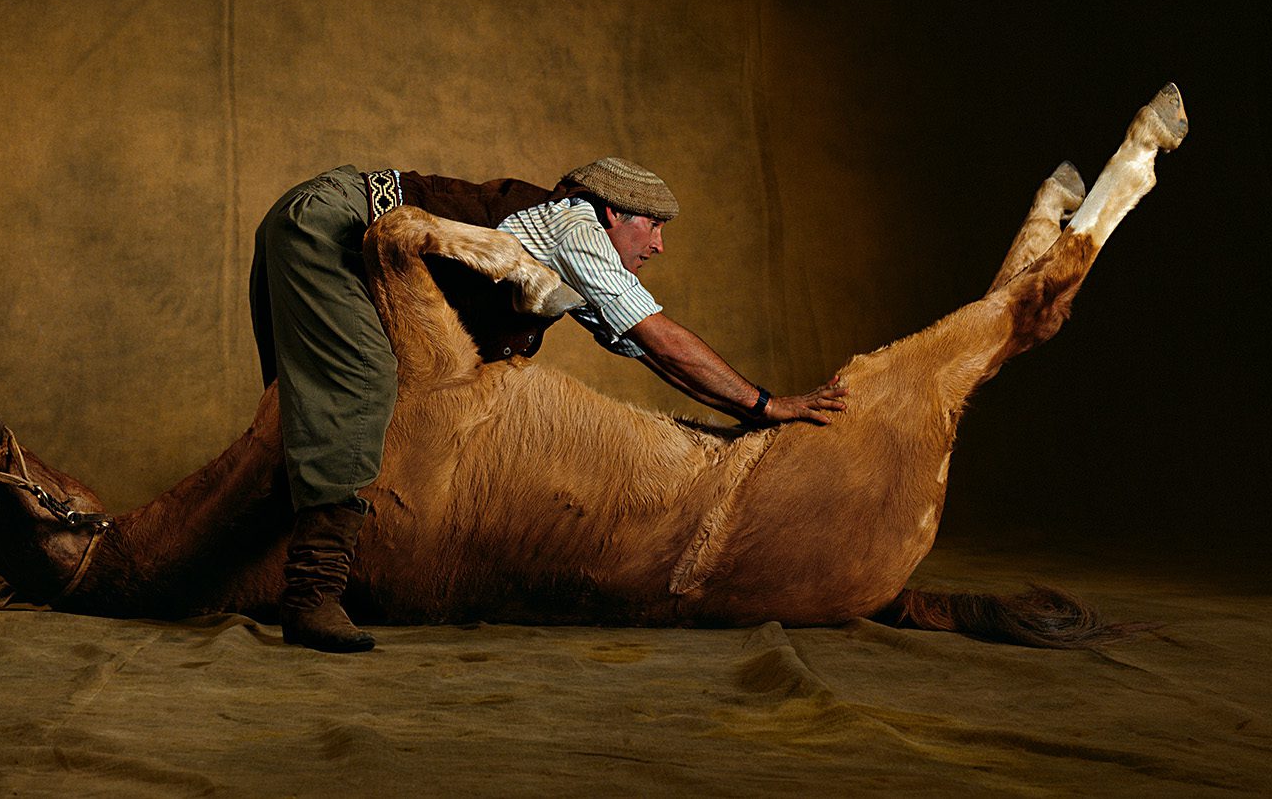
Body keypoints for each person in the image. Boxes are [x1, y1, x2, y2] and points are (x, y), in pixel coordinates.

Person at [248, 158, 847, 652]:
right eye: (652, 226)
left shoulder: (560, 246)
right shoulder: (577, 228)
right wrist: (764, 405)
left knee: (314, 408)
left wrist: (744, 412)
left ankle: (284, 567)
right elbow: (657, 336)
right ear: (613, 213)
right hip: (332, 224)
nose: (659, 245)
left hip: (323, 220)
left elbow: (649, 354)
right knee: (358, 386)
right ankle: (310, 595)